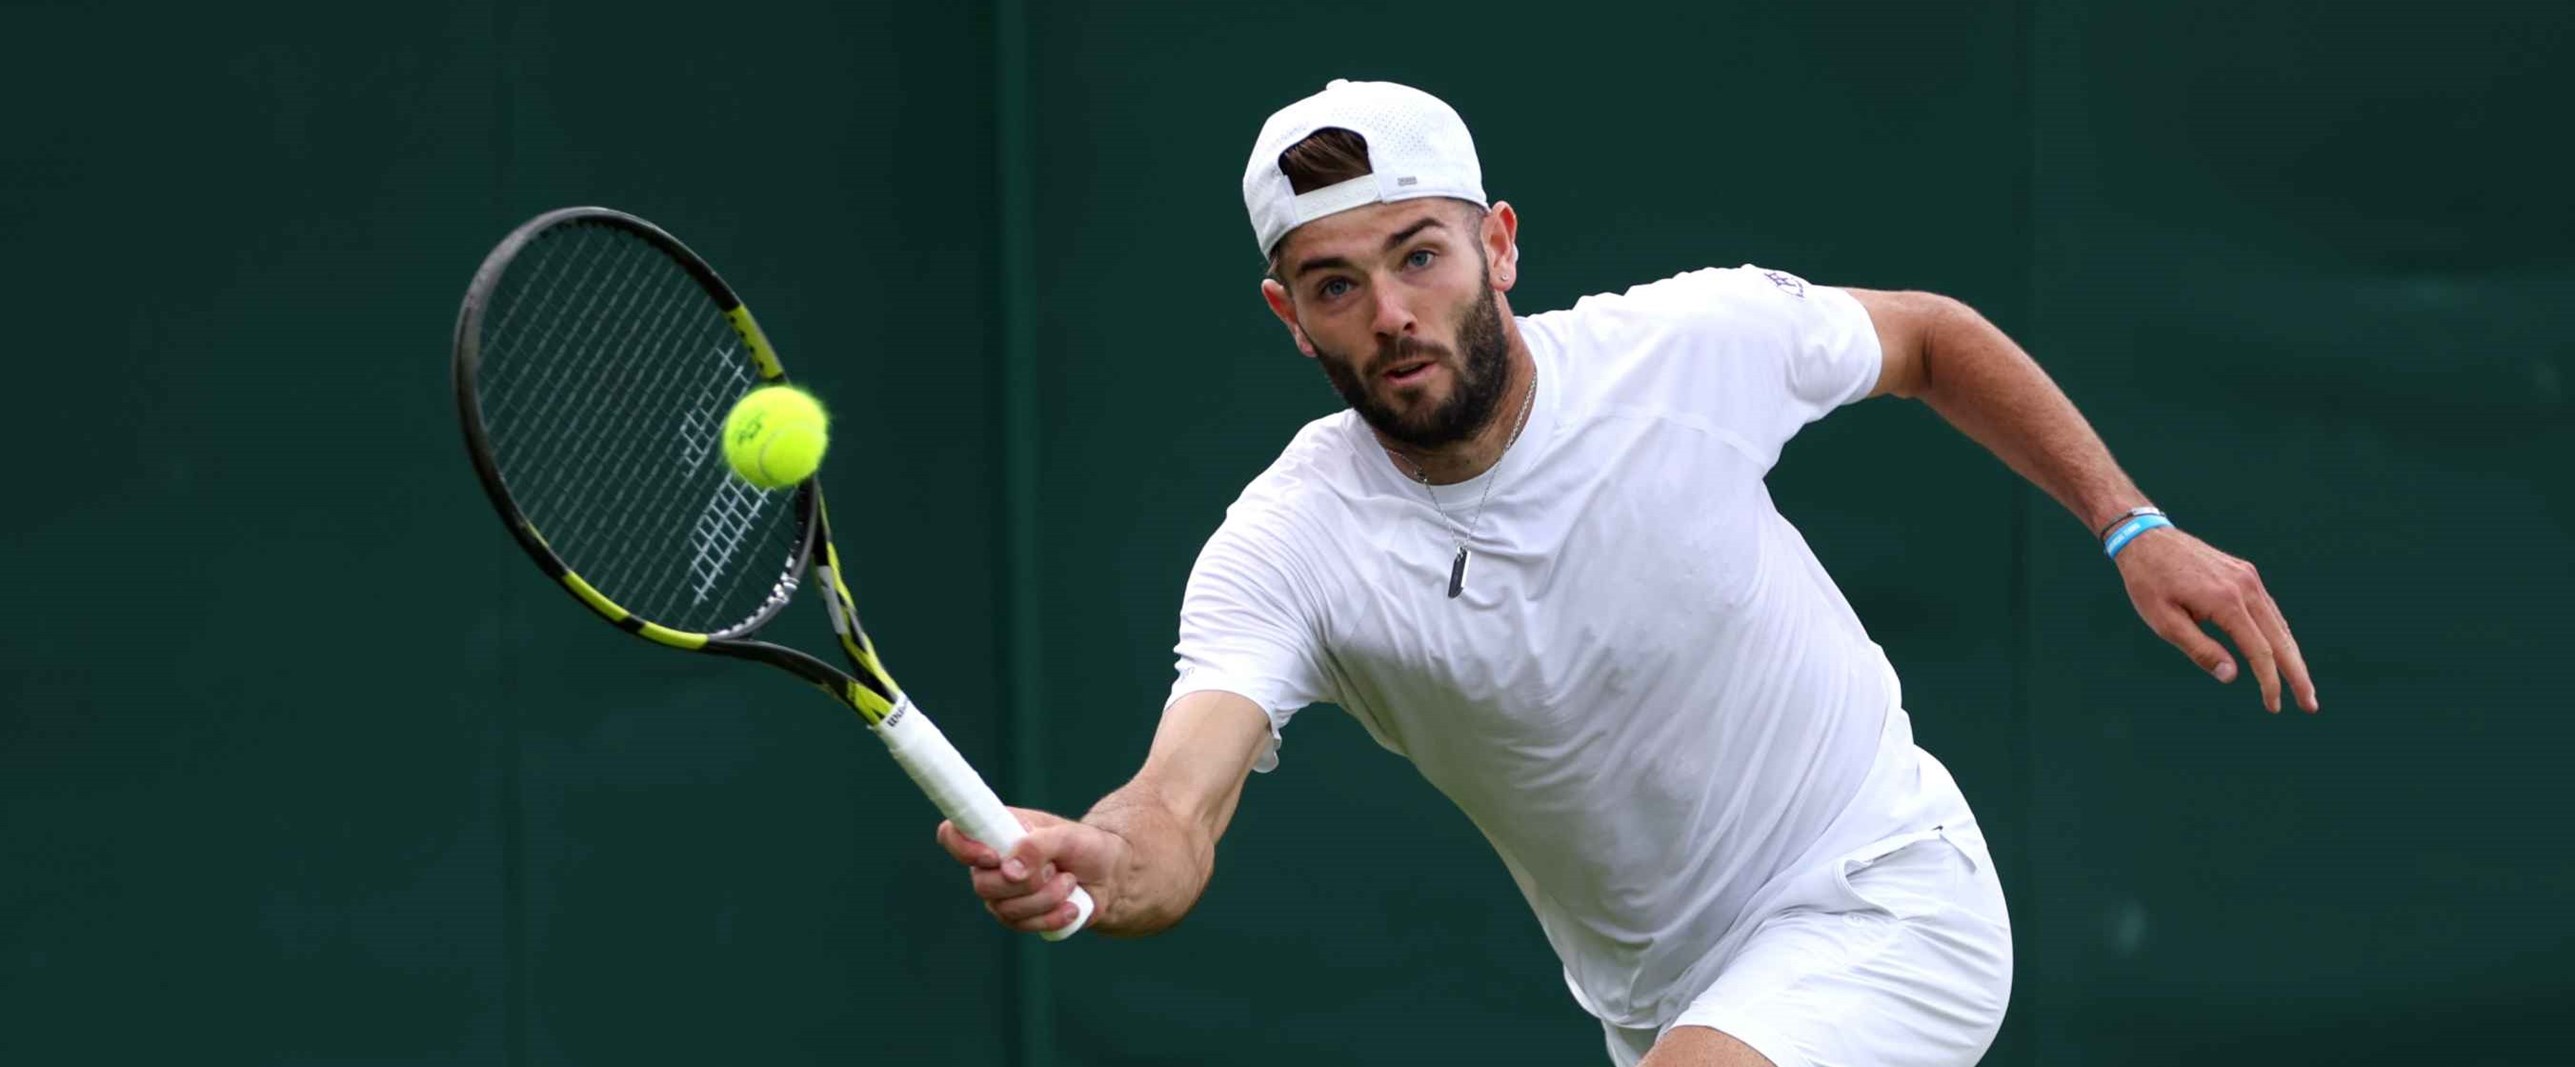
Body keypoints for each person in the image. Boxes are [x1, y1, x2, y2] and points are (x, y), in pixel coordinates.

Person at [936, 79, 2317, 1067]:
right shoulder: (1288, 548)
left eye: (1420, 255)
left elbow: (1933, 340)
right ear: (1288, 318)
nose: (1394, 313)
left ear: (1501, 247)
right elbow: (1179, 809)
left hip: (1884, 896)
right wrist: (1102, 864)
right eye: (1339, 283)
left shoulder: (1691, 348)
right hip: (1658, 1011)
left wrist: (2133, 528)